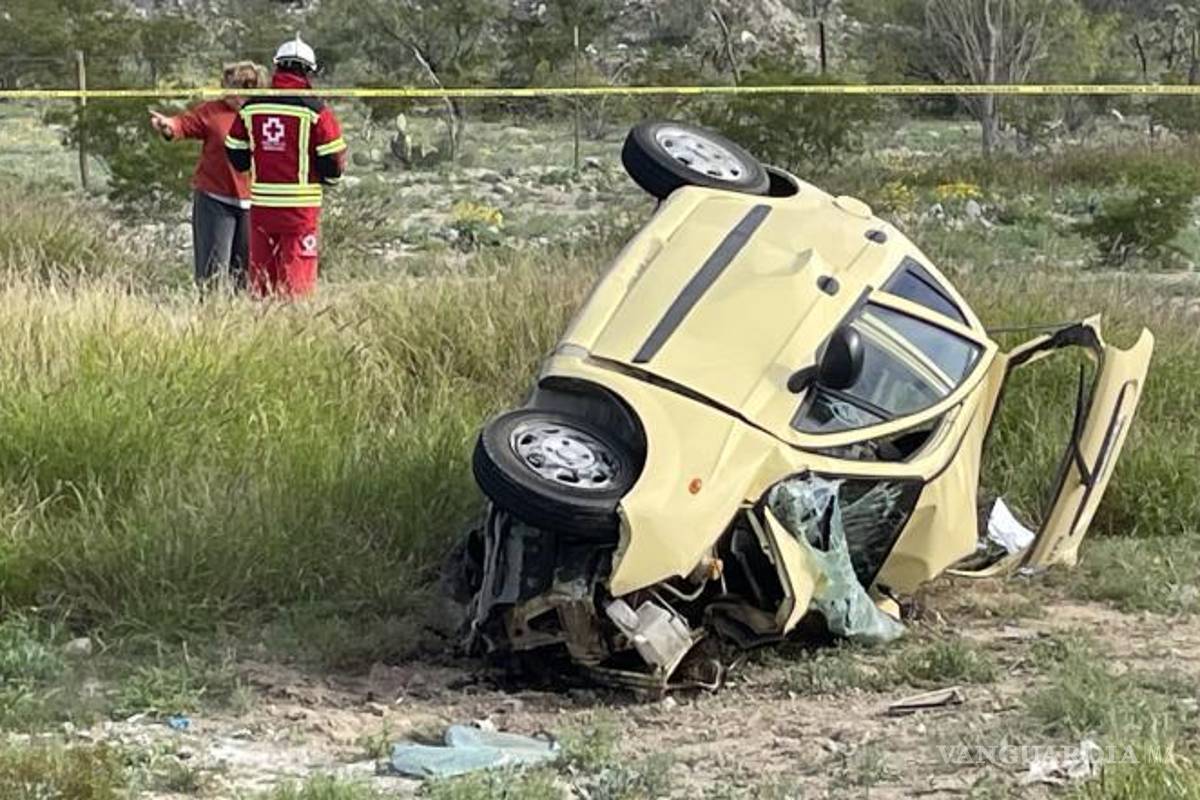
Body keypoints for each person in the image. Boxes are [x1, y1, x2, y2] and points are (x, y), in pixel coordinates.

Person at [224, 35, 347, 298]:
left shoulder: (251, 107)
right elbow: (333, 160)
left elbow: (234, 151)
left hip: (262, 208)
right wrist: (328, 180)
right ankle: (293, 330)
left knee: (262, 280)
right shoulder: (316, 110)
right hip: (300, 211)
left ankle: (265, 332)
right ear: (308, 72)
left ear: (277, 67)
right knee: (296, 283)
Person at [150, 62, 263, 291]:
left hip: (255, 203)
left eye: (244, 86)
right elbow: (184, 124)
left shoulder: (264, 114)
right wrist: (168, 126)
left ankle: (242, 323)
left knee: (246, 278)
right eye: (230, 85)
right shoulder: (212, 111)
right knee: (212, 276)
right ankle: (211, 321)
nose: (234, 92)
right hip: (215, 201)